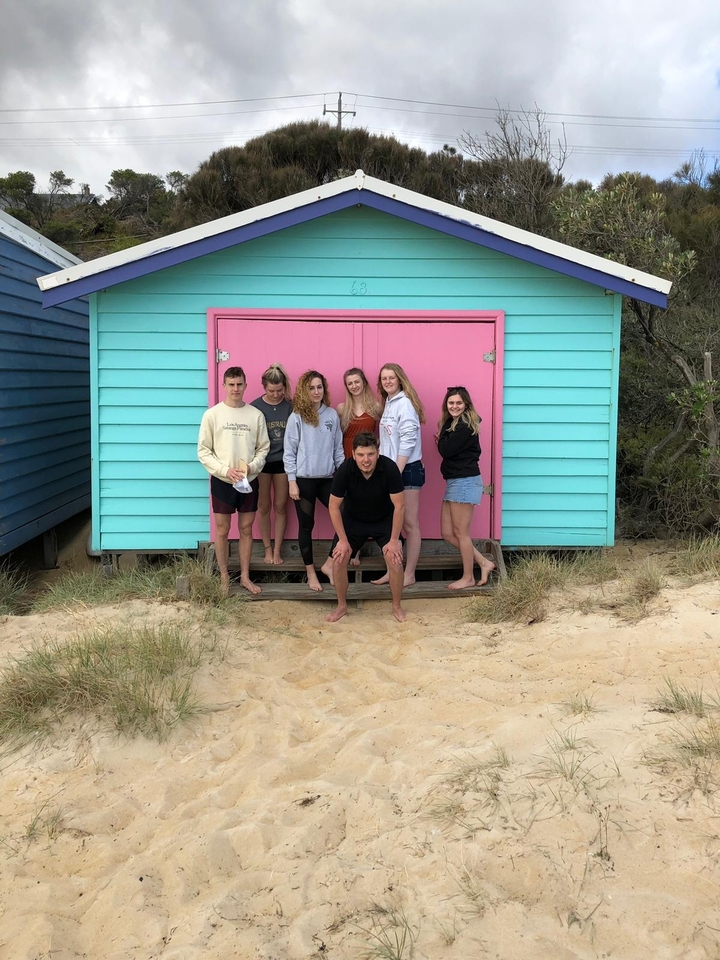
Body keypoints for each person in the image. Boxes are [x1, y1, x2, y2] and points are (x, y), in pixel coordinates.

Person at [198, 366, 270, 596]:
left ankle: (245, 577)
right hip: (222, 481)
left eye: (239, 384)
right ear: (224, 386)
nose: (235, 388)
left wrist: (251, 467)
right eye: (231, 384)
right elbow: (203, 451)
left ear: (246, 385)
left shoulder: (255, 415)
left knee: (246, 528)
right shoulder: (212, 415)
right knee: (222, 530)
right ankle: (223, 577)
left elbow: (263, 449)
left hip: (248, 481)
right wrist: (224, 470)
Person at [325, 432, 406, 624]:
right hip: (353, 521)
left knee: (395, 560)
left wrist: (394, 540)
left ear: (378, 453)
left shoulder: (389, 468)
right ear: (353, 454)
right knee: (339, 558)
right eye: (361, 455)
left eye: (370, 454)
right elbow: (333, 506)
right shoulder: (346, 469)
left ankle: (396, 606)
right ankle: (342, 606)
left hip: (383, 519)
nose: (366, 460)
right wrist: (343, 541)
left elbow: (400, 506)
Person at [283, 369, 345, 592]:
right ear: (304, 391)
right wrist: (292, 481)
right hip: (304, 480)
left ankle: (329, 564)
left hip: (327, 478)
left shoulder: (331, 415)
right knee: (306, 525)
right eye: (312, 388)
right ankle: (311, 572)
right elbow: (289, 452)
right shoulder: (296, 417)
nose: (316, 391)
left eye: (320, 387)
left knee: (345, 514)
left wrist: (342, 474)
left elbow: (338, 449)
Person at [437, 386, 496, 588]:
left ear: (466, 405)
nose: (454, 406)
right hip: (454, 481)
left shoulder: (464, 426)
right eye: (451, 402)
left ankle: (468, 577)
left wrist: (442, 438)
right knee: (447, 533)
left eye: (459, 403)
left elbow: (445, 449)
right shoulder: (453, 423)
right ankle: (483, 562)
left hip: (464, 481)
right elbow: (446, 447)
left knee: (461, 533)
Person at [373, 362, 426, 587]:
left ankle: (409, 574)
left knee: (410, 524)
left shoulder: (404, 404)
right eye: (384, 379)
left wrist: (396, 471)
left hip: (407, 471)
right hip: (390, 470)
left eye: (391, 378)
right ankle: (393, 570)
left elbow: (407, 440)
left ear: (400, 379)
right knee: (391, 523)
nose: (387, 382)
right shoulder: (388, 402)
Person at [251, 363, 293, 565]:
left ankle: (277, 550)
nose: (276, 394)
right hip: (262, 463)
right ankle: (267, 549)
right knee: (264, 506)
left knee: (281, 506)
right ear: (263, 387)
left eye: (279, 390)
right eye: (271, 391)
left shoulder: (290, 406)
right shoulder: (255, 407)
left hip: (283, 463)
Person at [337, 367, 381, 459]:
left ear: (364, 382)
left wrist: (377, 441)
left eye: (357, 382)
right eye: (350, 383)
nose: (354, 386)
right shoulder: (342, 409)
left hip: (367, 456)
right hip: (347, 454)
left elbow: (389, 429)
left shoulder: (375, 407)